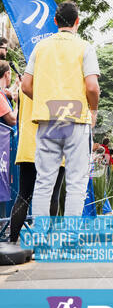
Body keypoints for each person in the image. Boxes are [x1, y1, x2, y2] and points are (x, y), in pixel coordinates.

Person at [21, 0, 100, 217]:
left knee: (44, 181)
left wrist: (44, 100)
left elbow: (26, 86)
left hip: (48, 118)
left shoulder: (40, 47)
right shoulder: (85, 47)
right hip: (76, 117)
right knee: (76, 182)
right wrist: (93, 110)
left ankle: (39, 239)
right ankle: (70, 240)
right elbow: (92, 87)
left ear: (55, 21)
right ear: (77, 21)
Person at [9, 86, 65, 243]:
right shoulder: (58, 83)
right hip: (54, 145)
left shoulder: (24, 86)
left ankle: (12, 242)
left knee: (23, 197)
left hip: (29, 146)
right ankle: (49, 240)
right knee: (53, 197)